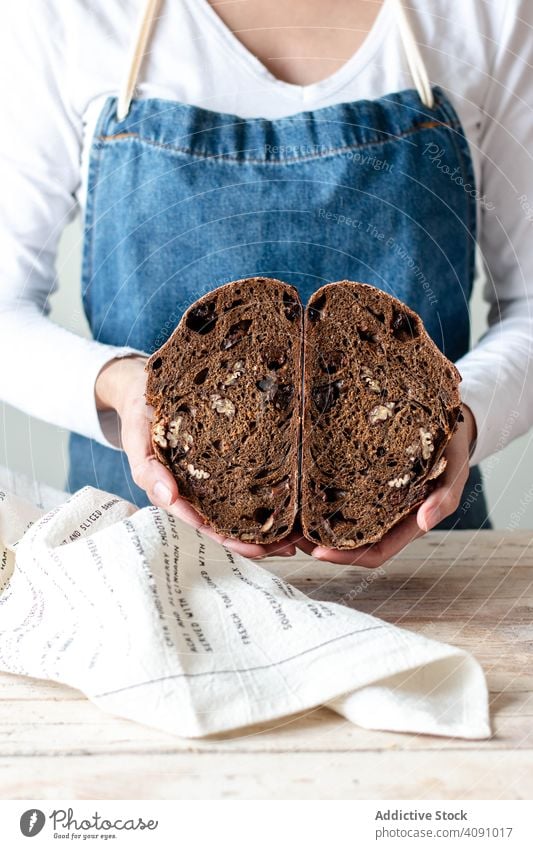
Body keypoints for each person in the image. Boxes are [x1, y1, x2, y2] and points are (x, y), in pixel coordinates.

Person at [1, 0, 532, 566]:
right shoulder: (64, 13)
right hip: (138, 567)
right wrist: (122, 385)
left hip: (427, 571)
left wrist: (463, 413)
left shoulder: (486, 13)